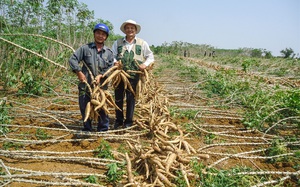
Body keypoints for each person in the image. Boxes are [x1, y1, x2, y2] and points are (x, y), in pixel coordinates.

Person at [69, 23, 114, 132]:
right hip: (86, 85)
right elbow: (73, 59)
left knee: (102, 108)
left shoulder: (109, 53)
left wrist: (101, 75)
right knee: (85, 107)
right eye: (98, 33)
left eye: (103, 34)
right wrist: (79, 72)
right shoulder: (85, 49)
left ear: (106, 37)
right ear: (94, 34)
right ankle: (87, 129)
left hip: (101, 88)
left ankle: (103, 129)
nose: (100, 36)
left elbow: (110, 67)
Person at [111, 19, 154, 129]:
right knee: (118, 98)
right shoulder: (118, 42)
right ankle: (119, 120)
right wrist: (115, 62)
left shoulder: (142, 43)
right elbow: (112, 55)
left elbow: (150, 56)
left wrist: (145, 64)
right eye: (128, 28)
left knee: (131, 99)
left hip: (134, 76)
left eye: (132, 28)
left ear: (135, 30)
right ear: (124, 30)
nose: (130, 30)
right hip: (119, 75)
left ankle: (128, 121)